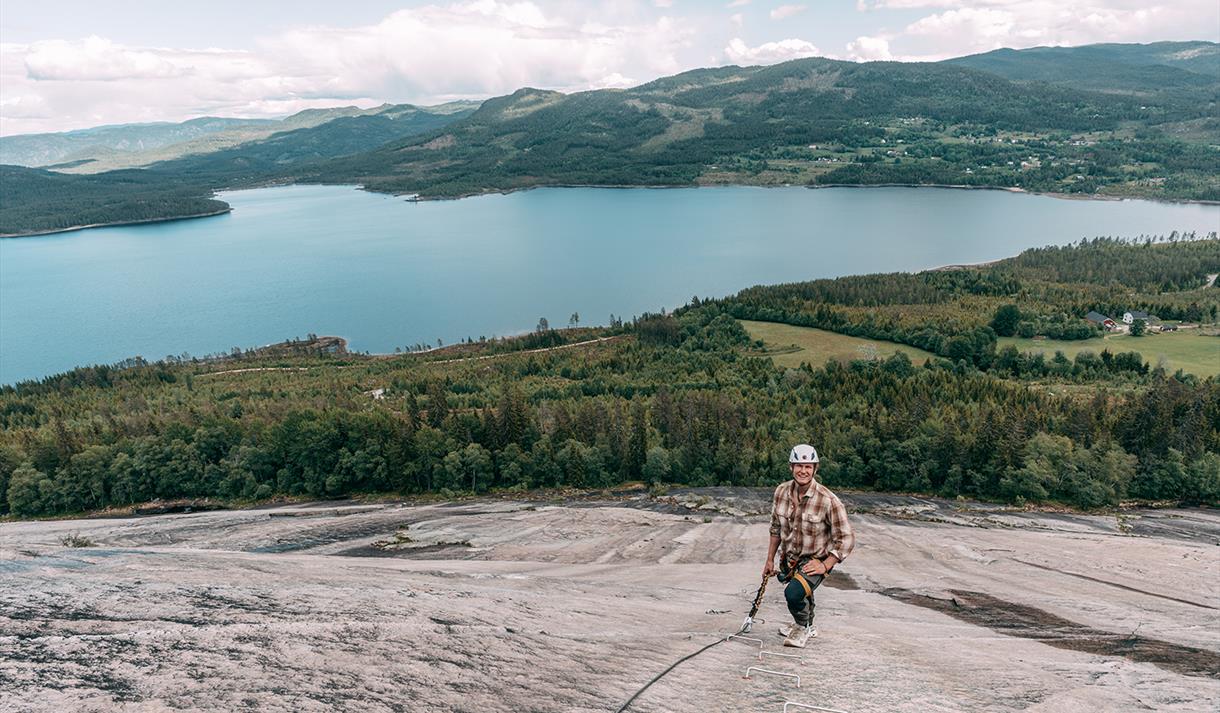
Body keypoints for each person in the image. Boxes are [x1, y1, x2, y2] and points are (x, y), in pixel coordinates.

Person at [762, 443, 855, 648]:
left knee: (793, 593)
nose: (803, 471)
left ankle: (801, 627)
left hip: (816, 559)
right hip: (791, 558)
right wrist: (769, 559)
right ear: (791, 467)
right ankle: (809, 625)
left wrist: (826, 564)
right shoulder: (781, 492)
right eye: (799, 466)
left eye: (808, 466)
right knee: (802, 589)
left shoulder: (828, 500)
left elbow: (846, 538)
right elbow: (776, 528)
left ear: (815, 469)